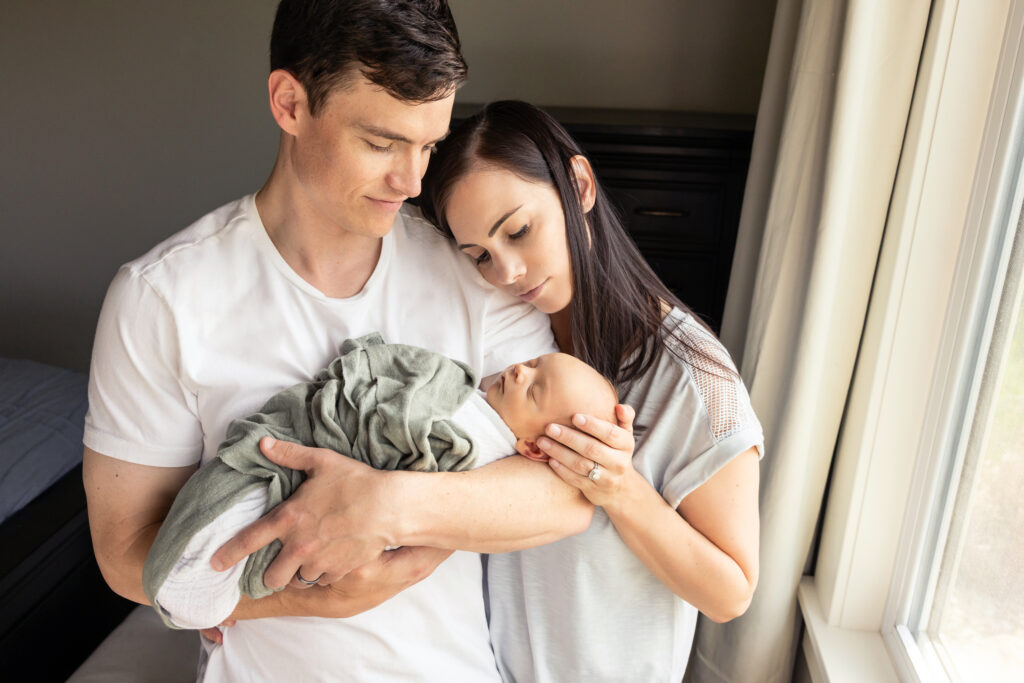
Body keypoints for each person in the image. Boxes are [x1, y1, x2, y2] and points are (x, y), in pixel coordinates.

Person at [82, 4, 595, 681]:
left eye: (429, 146)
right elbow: (126, 554)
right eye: (382, 143)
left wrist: (384, 507)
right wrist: (309, 598)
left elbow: (568, 494)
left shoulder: (471, 267)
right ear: (290, 103)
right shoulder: (160, 299)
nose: (413, 182)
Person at [417, 99, 765, 682]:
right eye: (479, 255)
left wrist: (620, 489)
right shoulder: (501, 345)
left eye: (519, 231)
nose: (506, 273)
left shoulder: (694, 375)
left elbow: (730, 593)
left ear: (579, 185)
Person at [144, 338, 617, 631]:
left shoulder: (486, 447)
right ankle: (201, 575)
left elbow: (573, 505)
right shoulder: (470, 391)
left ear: (536, 449)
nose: (519, 370)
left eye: (534, 388)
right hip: (304, 458)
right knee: (239, 503)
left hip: (407, 625)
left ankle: (207, 580)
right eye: (532, 362)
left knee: (251, 534)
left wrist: (384, 502)